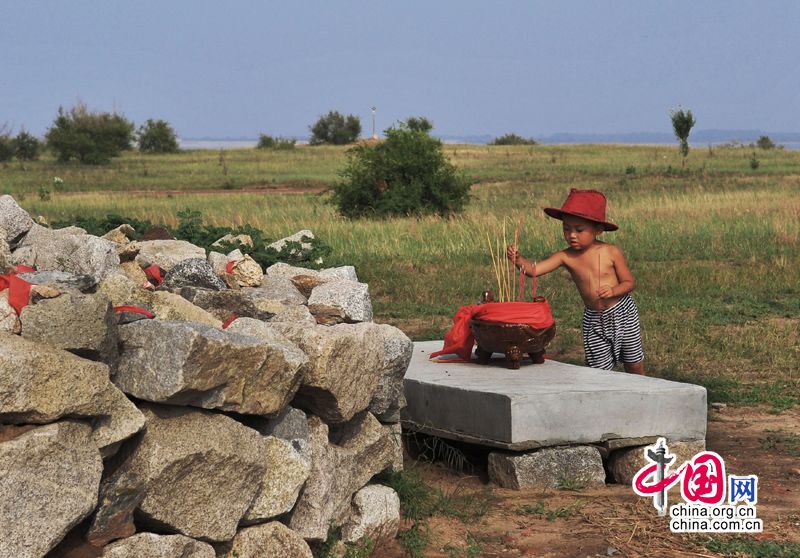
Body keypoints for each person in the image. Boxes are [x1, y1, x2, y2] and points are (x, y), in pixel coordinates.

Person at [506, 188, 645, 374]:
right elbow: (533, 270)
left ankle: (641, 394)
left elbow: (629, 282)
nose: (572, 235)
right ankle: (601, 399)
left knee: (633, 362)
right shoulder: (566, 256)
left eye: (579, 230)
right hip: (594, 319)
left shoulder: (611, 252)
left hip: (622, 313)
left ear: (598, 229)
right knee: (599, 371)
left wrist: (614, 291)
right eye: (566, 229)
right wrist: (518, 260)